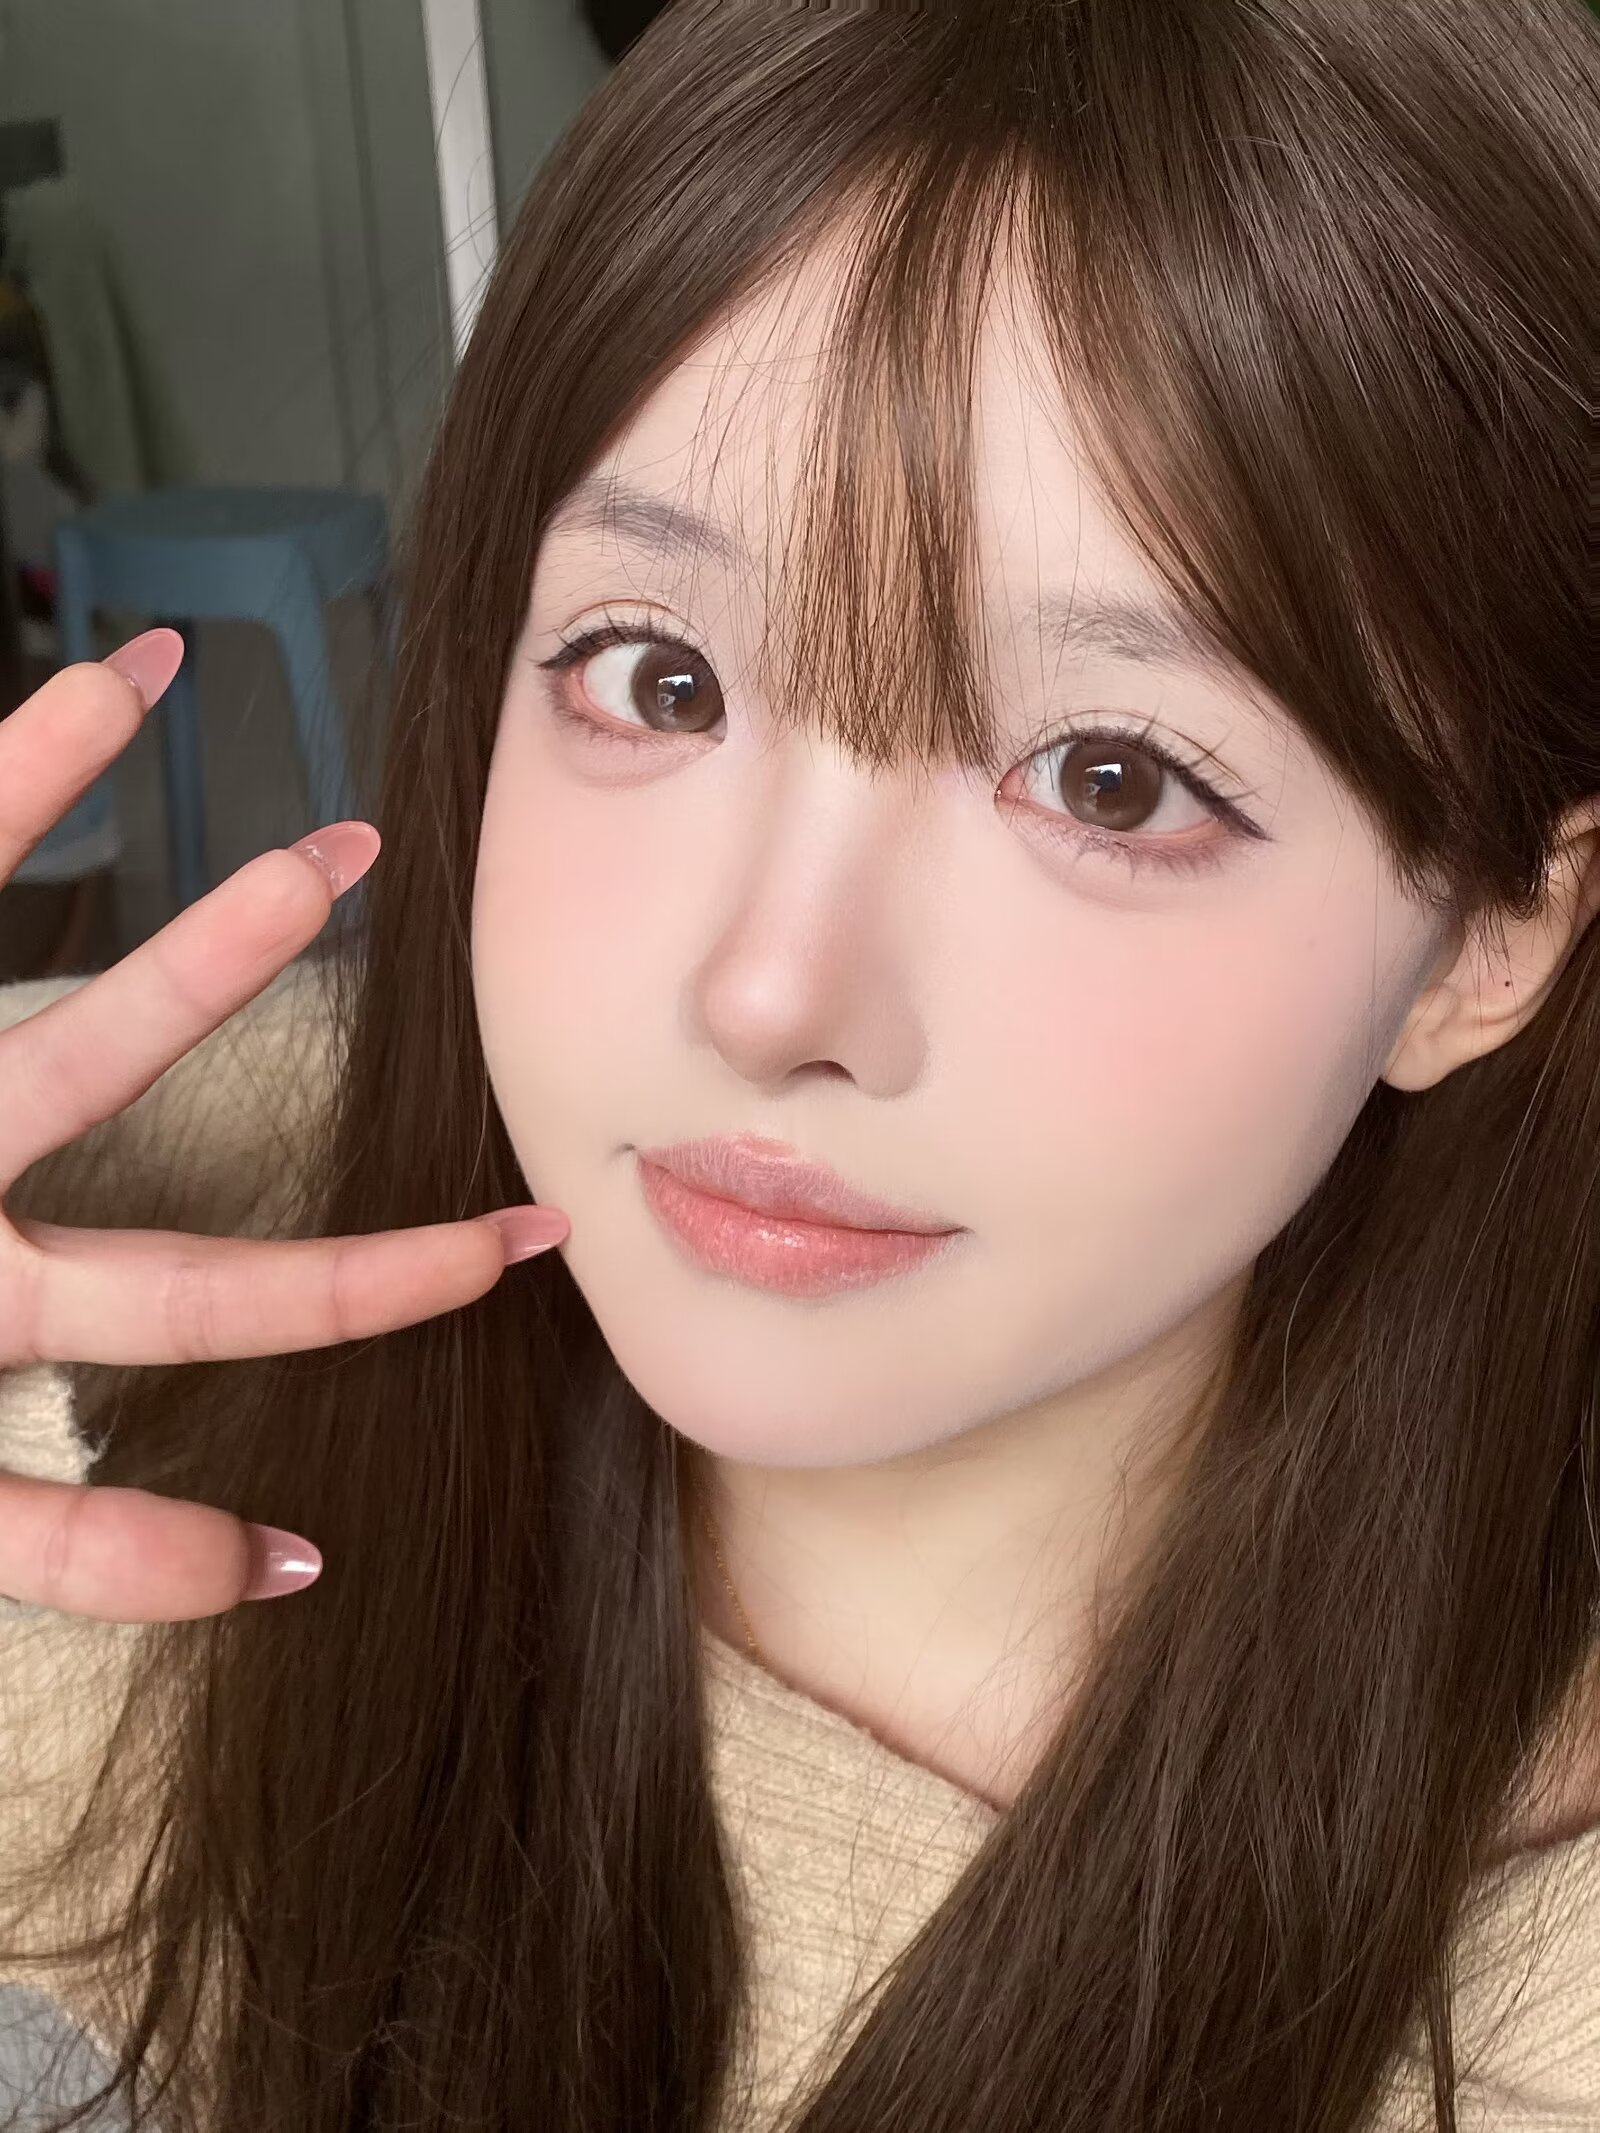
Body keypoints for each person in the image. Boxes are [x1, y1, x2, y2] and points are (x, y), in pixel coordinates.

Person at [0, 1, 1596, 2126]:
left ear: (1487, 935)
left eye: (1110, 779)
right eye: (656, 676)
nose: (767, 993)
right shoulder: (98, 1415)